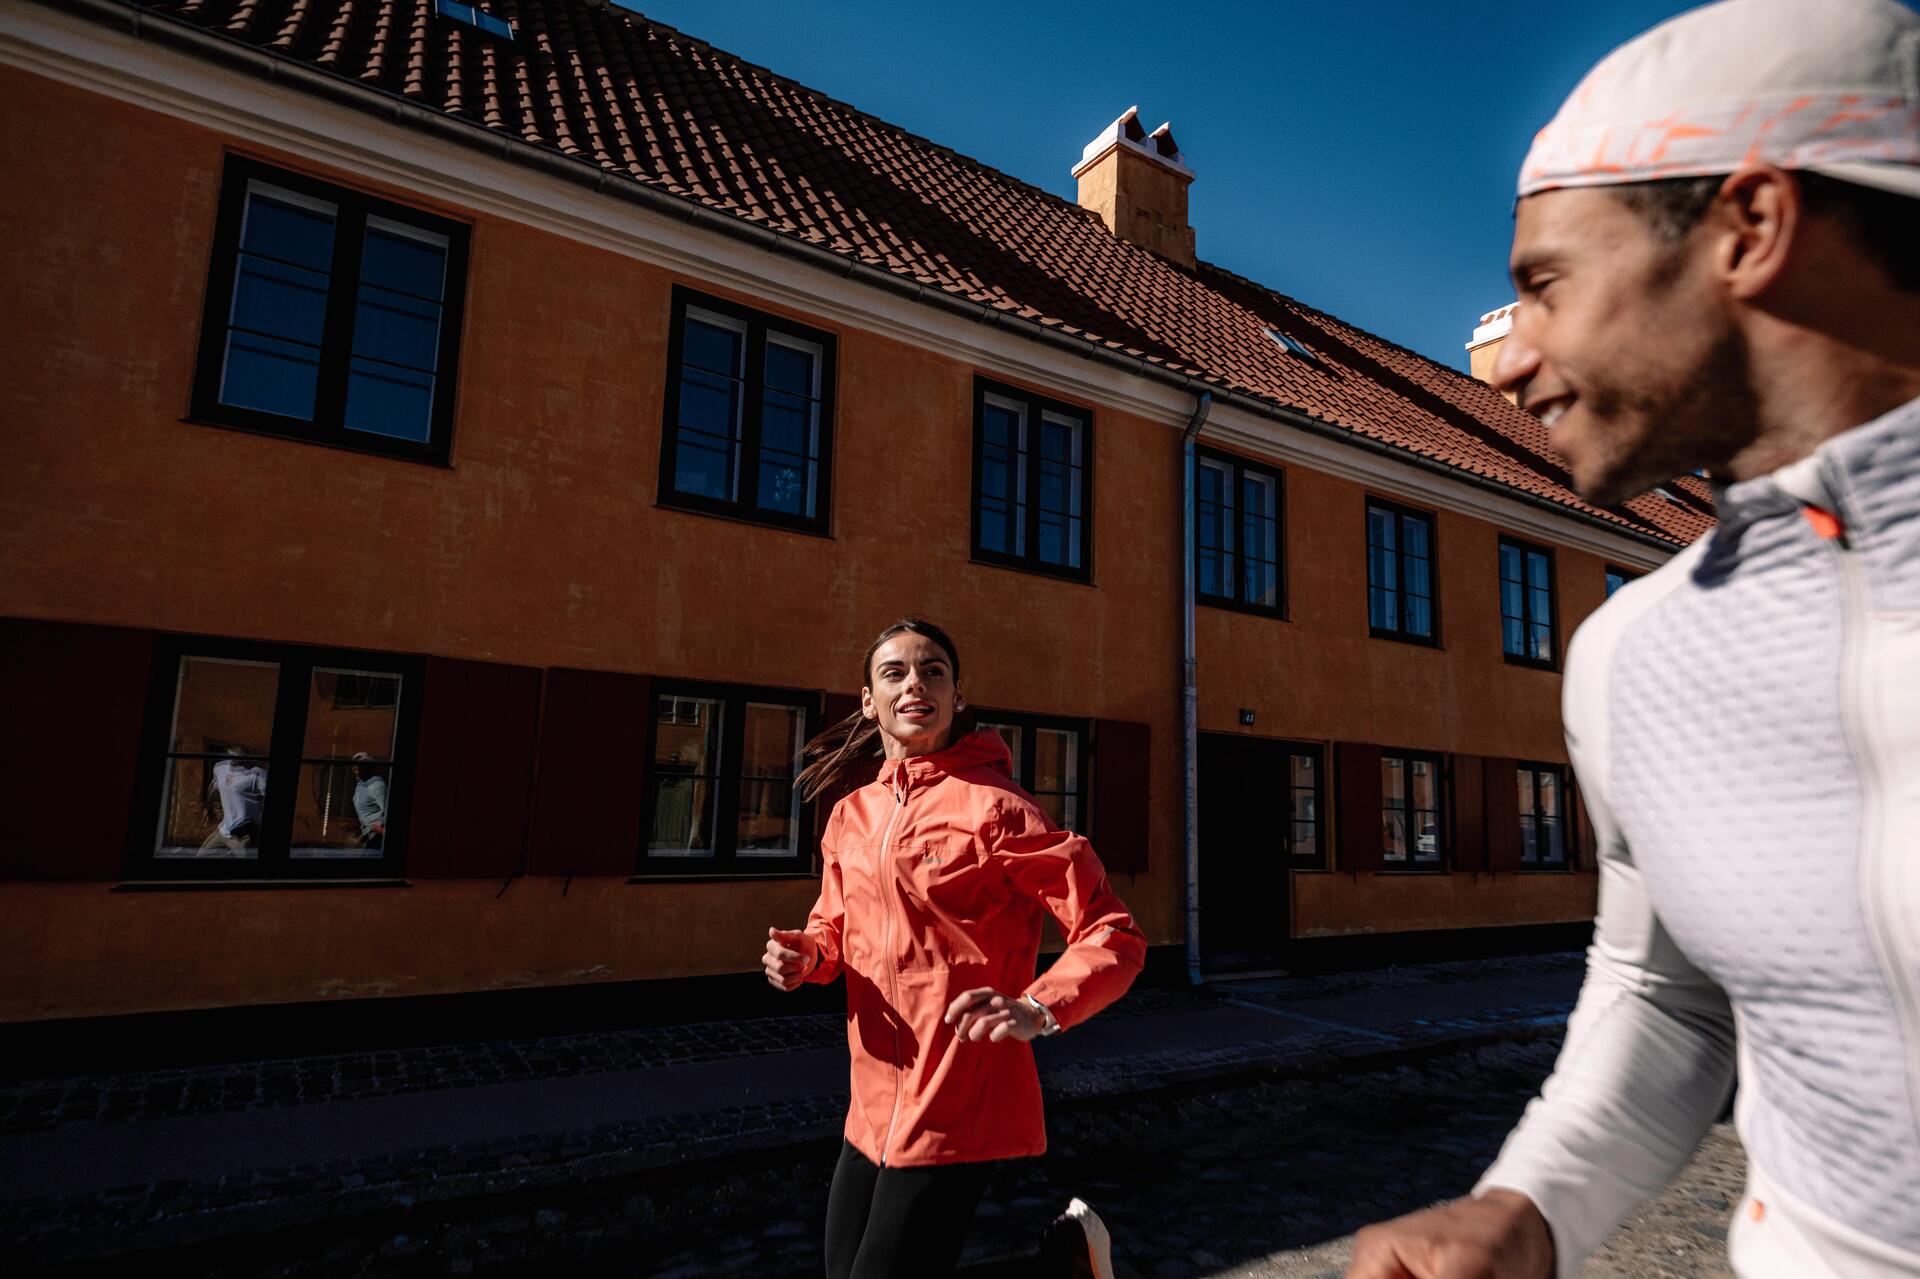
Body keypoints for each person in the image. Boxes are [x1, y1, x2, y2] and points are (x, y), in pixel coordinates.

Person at [1344, 2, 1920, 1277]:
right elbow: (1670, 995)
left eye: (1546, 282)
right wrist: (1529, 1202)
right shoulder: (1629, 655)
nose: (1509, 362)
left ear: (1750, 229)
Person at [763, 618, 1144, 1279]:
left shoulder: (999, 808)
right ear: (867, 700)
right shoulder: (851, 815)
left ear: (956, 696)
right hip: (872, 1102)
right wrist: (806, 954)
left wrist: (1039, 1006)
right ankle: (1067, 1268)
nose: (916, 683)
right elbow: (833, 927)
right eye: (896, 672)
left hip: (958, 1098)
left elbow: (1114, 932)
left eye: (933, 670)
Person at [200, 747, 267, 855]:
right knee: (200, 856)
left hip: (244, 834)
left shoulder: (257, 774)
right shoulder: (220, 768)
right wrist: (207, 809)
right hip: (224, 830)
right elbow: (213, 788)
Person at [351, 752, 388, 847]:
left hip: (378, 836)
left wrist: (376, 827)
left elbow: (387, 812)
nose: (357, 769)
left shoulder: (376, 785)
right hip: (370, 836)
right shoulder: (360, 785)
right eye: (354, 765)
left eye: (361, 766)